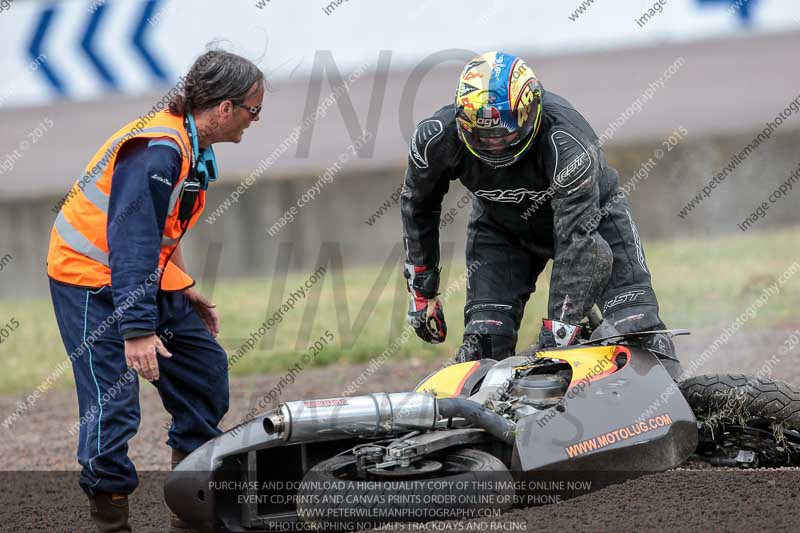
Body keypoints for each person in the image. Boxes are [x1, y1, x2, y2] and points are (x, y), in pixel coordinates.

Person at [47, 50, 265, 532]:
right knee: (113, 406)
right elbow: (132, 241)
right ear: (224, 108)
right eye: (254, 110)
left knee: (203, 372)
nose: (255, 121)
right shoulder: (158, 150)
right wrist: (138, 330)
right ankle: (111, 520)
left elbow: (162, 228)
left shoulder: (189, 144)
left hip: (138, 273)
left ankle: (189, 511)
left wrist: (183, 286)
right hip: (89, 279)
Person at [401, 51, 679, 374]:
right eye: (482, 133)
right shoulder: (434, 138)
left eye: (504, 131)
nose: (494, 143)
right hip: (501, 233)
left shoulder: (568, 143)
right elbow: (418, 205)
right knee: (483, 347)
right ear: (461, 119)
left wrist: (559, 330)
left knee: (639, 332)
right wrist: (422, 291)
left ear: (530, 109)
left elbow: (578, 243)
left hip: (593, 223)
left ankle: (675, 395)